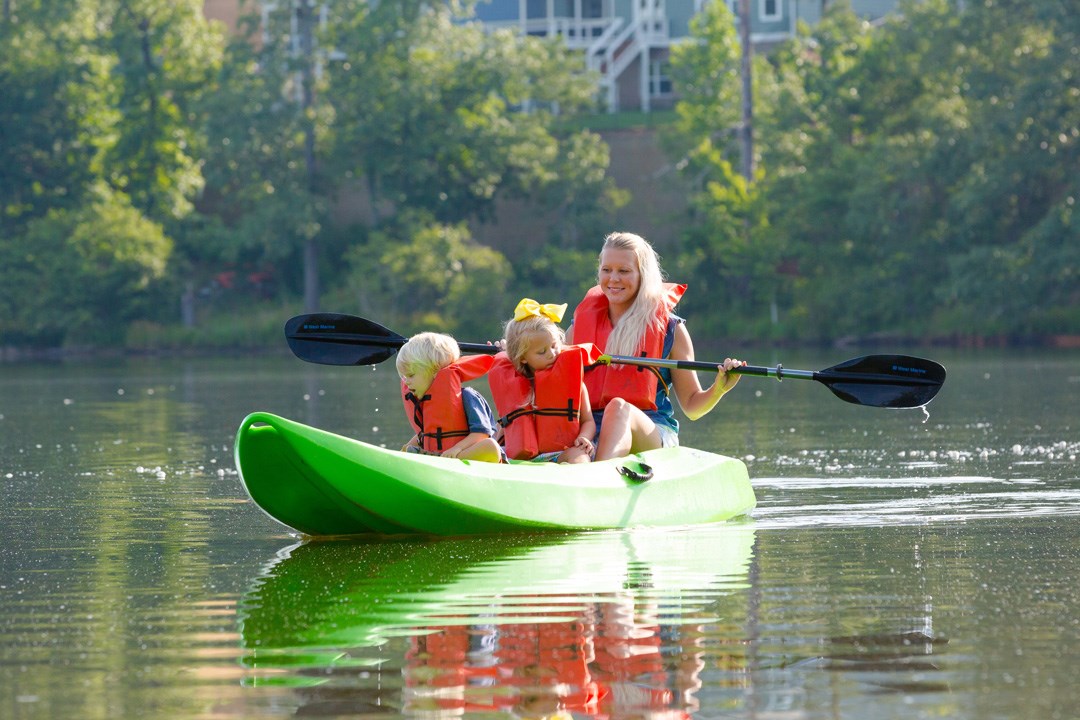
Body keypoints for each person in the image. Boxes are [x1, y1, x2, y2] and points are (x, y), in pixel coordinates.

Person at [565, 231, 744, 461]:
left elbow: (692, 406)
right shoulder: (578, 328)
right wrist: (517, 351)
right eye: (606, 270)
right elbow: (546, 371)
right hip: (590, 430)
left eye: (624, 271)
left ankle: (600, 476)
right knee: (571, 449)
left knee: (619, 408)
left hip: (651, 430)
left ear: (643, 275)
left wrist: (718, 389)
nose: (613, 279)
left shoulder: (671, 329)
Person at [487, 298, 599, 463]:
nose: (552, 354)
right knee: (491, 448)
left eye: (554, 346)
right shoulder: (513, 383)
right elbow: (505, 424)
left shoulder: (574, 383)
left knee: (579, 457)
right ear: (523, 357)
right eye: (542, 352)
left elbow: (588, 421)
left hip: (561, 453)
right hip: (520, 457)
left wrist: (585, 437)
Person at [396, 332, 503, 462]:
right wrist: (405, 449)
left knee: (490, 447)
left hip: (473, 457)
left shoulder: (467, 397)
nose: (406, 382)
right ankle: (435, 458)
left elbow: (481, 434)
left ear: (435, 371)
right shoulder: (423, 402)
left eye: (411, 375)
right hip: (444, 457)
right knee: (409, 449)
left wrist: (457, 449)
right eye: (405, 377)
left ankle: (439, 459)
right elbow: (424, 435)